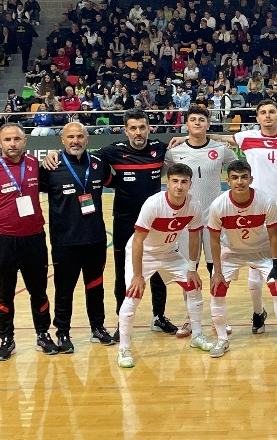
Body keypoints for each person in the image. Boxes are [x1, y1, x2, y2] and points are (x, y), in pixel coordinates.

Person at [170, 99, 277, 339]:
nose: (267, 116)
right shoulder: (247, 137)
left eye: (272, 112)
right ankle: (256, 313)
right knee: (250, 267)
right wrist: (188, 136)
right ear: (257, 117)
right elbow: (220, 138)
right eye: (262, 112)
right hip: (250, 207)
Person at [44, 109, 179, 340]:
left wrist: (188, 137)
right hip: (126, 223)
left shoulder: (160, 148)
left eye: (142, 127)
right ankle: (121, 320)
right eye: (133, 128)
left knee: (158, 270)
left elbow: (191, 144)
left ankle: (159, 316)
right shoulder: (110, 153)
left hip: (157, 223)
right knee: (122, 274)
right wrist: (52, 154)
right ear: (125, 130)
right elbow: (77, 154)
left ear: (149, 128)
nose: (138, 132)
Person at [0, 123, 58, 361]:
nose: (13, 144)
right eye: (8, 140)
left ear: (25, 141)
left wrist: (53, 155)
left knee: (39, 291)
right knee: (4, 293)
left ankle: (42, 334)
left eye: (17, 139)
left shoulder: (34, 164)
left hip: (34, 239)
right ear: (0, 143)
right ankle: (6, 339)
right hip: (4, 241)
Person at [117, 164, 210, 368]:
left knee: (193, 287)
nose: (179, 186)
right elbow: (138, 240)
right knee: (133, 295)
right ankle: (124, 348)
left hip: (169, 252)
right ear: (167, 183)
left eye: (184, 182)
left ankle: (197, 335)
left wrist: (193, 268)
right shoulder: (153, 204)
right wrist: (138, 275)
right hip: (145, 253)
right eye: (175, 181)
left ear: (190, 184)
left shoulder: (194, 205)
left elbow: (195, 237)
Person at [38, 122, 114, 353]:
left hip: (95, 239)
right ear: (62, 140)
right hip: (65, 242)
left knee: (96, 286)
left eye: (80, 136)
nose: (75, 141)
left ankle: (97, 327)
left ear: (87, 139)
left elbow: (118, 184)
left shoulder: (99, 165)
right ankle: (62, 332)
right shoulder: (51, 166)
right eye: (70, 136)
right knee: (64, 289)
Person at [164, 105, 237, 336]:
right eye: (193, 119)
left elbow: (239, 172)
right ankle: (190, 318)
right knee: (189, 270)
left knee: (218, 269)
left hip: (215, 220)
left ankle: (218, 318)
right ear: (187, 124)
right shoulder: (174, 152)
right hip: (187, 221)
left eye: (201, 120)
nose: (197, 123)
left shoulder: (221, 149)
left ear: (208, 124)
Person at [207, 160, 277, 357]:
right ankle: (222, 339)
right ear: (228, 181)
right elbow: (214, 241)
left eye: (244, 177)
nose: (239, 182)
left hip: (261, 251)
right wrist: (216, 272)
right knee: (217, 288)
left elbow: (274, 235)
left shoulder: (266, 201)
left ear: (251, 179)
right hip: (232, 252)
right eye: (235, 178)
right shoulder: (218, 205)